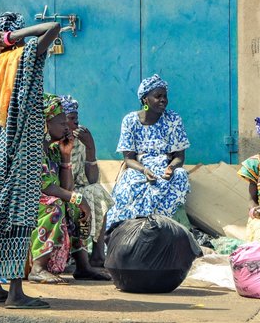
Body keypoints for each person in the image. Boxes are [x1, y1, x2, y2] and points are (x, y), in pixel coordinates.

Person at [0, 12, 60, 309]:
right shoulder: (24, 59)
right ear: (13, 37)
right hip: (21, 160)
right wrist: (12, 39)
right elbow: (53, 28)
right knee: (18, 220)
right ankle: (15, 292)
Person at [28, 94, 111, 284]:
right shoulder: (34, 149)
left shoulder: (55, 149)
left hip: (46, 196)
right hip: (30, 200)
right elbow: (46, 187)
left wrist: (66, 157)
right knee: (56, 205)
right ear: (45, 125)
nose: (67, 127)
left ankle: (83, 267)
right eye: (62, 123)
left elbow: (66, 187)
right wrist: (76, 198)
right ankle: (38, 268)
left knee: (73, 206)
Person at [106, 74, 191, 229]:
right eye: (158, 96)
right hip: (140, 168)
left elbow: (179, 156)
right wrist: (144, 170)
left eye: (165, 96)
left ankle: (157, 225)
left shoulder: (173, 119)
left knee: (180, 176)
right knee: (130, 184)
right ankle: (127, 228)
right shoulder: (130, 121)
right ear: (145, 99)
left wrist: (170, 168)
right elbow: (128, 159)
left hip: (166, 167)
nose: (163, 100)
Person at [60, 95, 114, 267]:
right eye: (71, 119)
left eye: (77, 119)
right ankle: (73, 257)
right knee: (76, 199)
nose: (76, 124)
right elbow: (60, 184)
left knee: (97, 192)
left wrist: (90, 148)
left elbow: (91, 180)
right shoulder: (50, 140)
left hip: (77, 189)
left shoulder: (81, 139)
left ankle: (98, 255)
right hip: (58, 190)